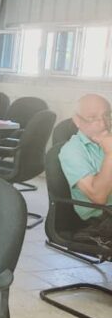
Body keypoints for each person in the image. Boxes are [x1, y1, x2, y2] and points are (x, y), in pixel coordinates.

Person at [59, 94, 112, 249]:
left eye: (106, 116)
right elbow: (98, 197)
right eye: (92, 118)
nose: (102, 123)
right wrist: (110, 154)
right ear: (77, 120)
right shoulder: (72, 151)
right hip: (101, 218)